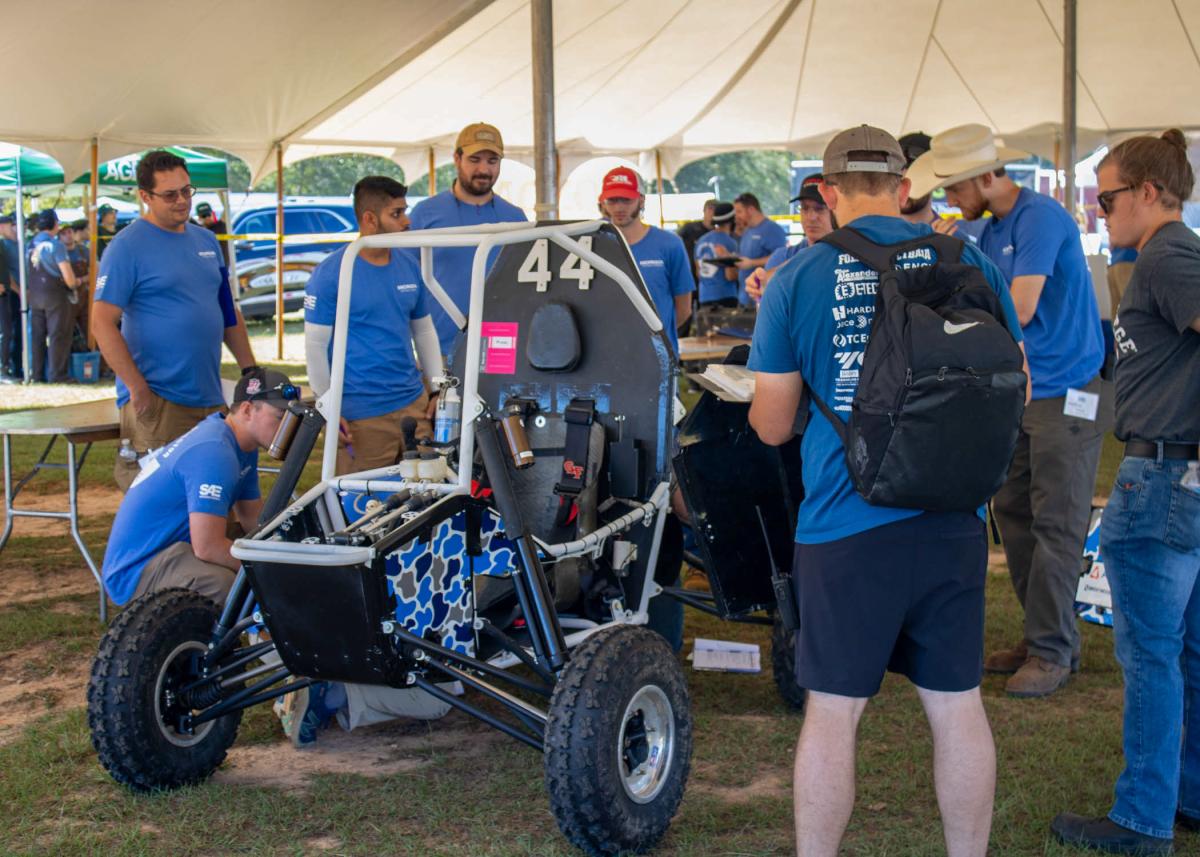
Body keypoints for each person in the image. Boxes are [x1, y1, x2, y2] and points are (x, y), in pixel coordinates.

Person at [749, 125, 1026, 857]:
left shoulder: (799, 277)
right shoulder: (967, 259)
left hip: (846, 521)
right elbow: (1014, 383)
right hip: (952, 513)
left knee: (834, 712)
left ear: (830, 192)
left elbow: (773, 425)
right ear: (906, 189)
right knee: (957, 705)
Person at [910, 124, 1110, 698]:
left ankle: (1051, 651)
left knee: (1056, 523)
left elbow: (1018, 306)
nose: (948, 198)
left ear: (985, 176)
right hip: (1023, 392)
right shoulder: (992, 226)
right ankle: (1043, 635)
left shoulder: (1040, 218)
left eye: (952, 186)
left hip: (1066, 393)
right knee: (1015, 515)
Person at [1051, 130, 1200, 857]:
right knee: (1187, 652)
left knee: (1151, 656)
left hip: (1163, 478)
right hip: (1180, 475)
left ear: (1147, 191)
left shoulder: (1171, 255)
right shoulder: (1169, 255)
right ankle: (1186, 795)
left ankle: (1144, 817)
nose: (1100, 211)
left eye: (1106, 198)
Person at [94, 150, 258, 491]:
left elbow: (228, 312)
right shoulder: (127, 247)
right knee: (163, 500)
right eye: (170, 194)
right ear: (145, 196)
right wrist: (138, 389)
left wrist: (250, 371)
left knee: (212, 494)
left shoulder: (206, 240)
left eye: (187, 190)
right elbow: (101, 323)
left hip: (209, 396)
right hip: (159, 398)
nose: (182, 200)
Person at [100, 368, 296, 609]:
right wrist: (274, 569)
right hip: (137, 570)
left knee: (258, 572)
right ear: (247, 410)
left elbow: (253, 519)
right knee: (226, 585)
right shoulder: (215, 452)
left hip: (172, 551)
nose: (287, 426)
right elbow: (208, 547)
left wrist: (288, 552)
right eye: (280, 416)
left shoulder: (240, 444)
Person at [304, 176, 444, 475]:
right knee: (360, 510)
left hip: (413, 405)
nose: (406, 221)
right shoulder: (332, 273)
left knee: (426, 499)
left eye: (405, 211)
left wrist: (436, 390)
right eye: (396, 214)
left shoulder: (409, 265)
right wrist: (328, 406)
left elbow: (424, 331)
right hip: (361, 417)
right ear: (369, 219)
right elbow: (315, 346)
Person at [407, 122, 527, 355]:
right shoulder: (425, 213)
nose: (483, 169)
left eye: (492, 161)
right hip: (439, 349)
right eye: (475, 160)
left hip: (500, 346)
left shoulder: (516, 217)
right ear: (456, 158)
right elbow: (404, 278)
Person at [598, 166, 694, 353]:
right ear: (602, 202)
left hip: (658, 357)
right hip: (608, 355)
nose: (619, 207)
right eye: (612, 200)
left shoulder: (669, 244)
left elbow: (684, 309)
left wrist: (657, 335)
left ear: (641, 200)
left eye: (626, 200)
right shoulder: (593, 244)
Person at [745, 173, 835, 302]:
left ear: (835, 210)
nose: (811, 217)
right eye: (804, 208)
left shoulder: (848, 256)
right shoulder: (783, 256)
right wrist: (759, 284)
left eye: (819, 208)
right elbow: (765, 305)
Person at [27, 210, 79, 382]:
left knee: (37, 336)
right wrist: (76, 283)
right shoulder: (56, 246)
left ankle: (37, 374)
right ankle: (57, 374)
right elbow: (69, 278)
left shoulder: (30, 244)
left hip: (34, 295)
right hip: (55, 295)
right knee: (58, 335)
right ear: (55, 224)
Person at [732, 192, 787, 304]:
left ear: (751, 209)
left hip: (763, 299)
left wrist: (752, 263)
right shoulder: (747, 231)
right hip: (744, 297)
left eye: (739, 211)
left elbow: (782, 259)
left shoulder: (772, 229)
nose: (736, 216)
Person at [692, 201, 738, 307]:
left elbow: (698, 273)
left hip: (704, 297)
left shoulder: (700, 241)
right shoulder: (730, 243)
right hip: (726, 296)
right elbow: (730, 276)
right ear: (731, 221)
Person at [0, 214, 21, 380]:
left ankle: (9, 367)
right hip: (6, 293)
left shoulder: (9, 244)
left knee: (9, 332)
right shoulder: (3, 244)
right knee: (5, 331)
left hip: (9, 293)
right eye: (9, 224)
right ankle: (3, 368)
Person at [677, 198, 716, 283]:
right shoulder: (690, 228)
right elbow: (675, 243)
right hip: (688, 274)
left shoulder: (718, 234)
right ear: (704, 210)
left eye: (715, 210)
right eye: (710, 209)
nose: (712, 213)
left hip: (707, 278)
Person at [194, 201, 231, 266]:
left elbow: (227, 208)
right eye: (204, 216)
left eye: (208, 214)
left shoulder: (220, 226)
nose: (207, 217)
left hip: (221, 267)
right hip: (204, 266)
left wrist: (221, 193)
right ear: (199, 218)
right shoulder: (196, 229)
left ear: (212, 214)